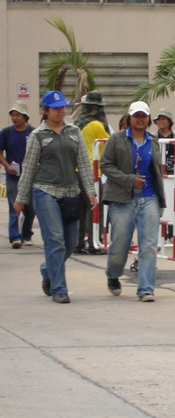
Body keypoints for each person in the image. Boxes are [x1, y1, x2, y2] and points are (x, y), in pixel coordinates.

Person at [14, 91, 97, 303]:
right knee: (55, 241)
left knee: (69, 243)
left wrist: (90, 190)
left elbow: (84, 163)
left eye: (62, 107)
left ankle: (47, 269)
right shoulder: (38, 135)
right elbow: (29, 167)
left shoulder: (74, 132)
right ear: (46, 111)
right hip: (45, 192)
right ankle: (59, 289)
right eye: (56, 108)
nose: (60, 111)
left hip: (71, 193)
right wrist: (21, 199)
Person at [100, 101, 166, 302]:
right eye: (136, 115)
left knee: (148, 245)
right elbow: (105, 165)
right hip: (122, 199)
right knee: (120, 244)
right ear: (129, 118)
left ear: (148, 119)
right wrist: (129, 180)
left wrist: (161, 197)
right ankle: (113, 274)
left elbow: (156, 171)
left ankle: (146, 289)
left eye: (143, 116)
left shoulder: (153, 141)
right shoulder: (117, 139)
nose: (140, 119)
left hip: (149, 197)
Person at [73, 91, 111, 255]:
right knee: (96, 207)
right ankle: (94, 243)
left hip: (76, 170)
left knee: (82, 209)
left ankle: (78, 243)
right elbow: (109, 143)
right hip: (91, 170)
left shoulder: (76, 124)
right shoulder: (96, 125)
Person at [0, 100, 36, 249]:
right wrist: (8, 166)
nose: (14, 118)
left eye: (17, 115)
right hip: (13, 177)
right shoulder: (6, 133)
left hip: (31, 177)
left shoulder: (33, 133)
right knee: (14, 207)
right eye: (12, 115)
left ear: (25, 116)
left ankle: (26, 234)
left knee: (31, 208)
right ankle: (15, 237)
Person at [153, 108, 175, 240]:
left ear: (169, 121)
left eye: (163, 119)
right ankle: (161, 232)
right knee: (158, 201)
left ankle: (173, 233)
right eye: (158, 119)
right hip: (158, 173)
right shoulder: (153, 136)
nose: (161, 121)